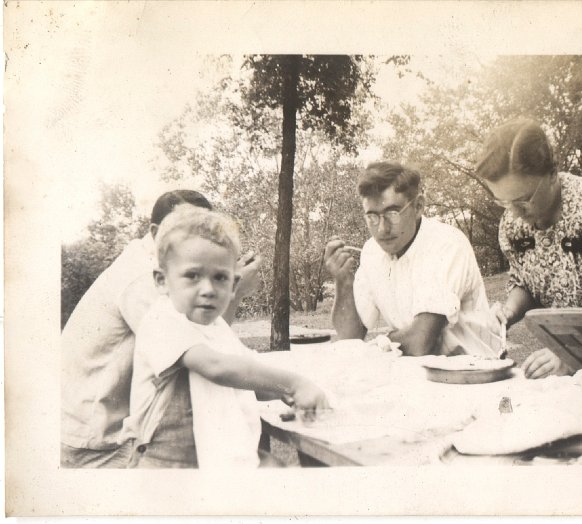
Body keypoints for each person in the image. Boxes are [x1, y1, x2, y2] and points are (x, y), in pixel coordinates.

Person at [61, 190, 262, 468]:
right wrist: (234, 293)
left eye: (199, 228)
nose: (192, 238)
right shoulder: (143, 277)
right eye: (181, 227)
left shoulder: (165, 266)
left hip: (112, 428)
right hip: (96, 438)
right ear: (155, 231)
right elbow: (200, 350)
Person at [122, 204, 329, 468]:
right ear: (162, 280)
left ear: (233, 285)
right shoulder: (161, 320)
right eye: (192, 275)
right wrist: (293, 384)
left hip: (211, 459)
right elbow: (217, 368)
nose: (208, 289)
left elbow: (251, 379)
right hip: (164, 463)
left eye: (220, 277)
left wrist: (284, 394)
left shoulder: (218, 328)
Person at [475, 118, 582, 379]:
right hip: (569, 369)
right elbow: (525, 282)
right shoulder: (512, 223)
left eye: (523, 200)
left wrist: (570, 357)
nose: (515, 213)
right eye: (504, 202)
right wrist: (507, 313)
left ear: (552, 172)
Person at [324, 161, 495, 357]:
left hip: (474, 371)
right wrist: (343, 281)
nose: (382, 229)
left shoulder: (445, 244)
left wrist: (379, 344)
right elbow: (350, 336)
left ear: (418, 206)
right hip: (417, 372)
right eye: (372, 216)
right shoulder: (372, 250)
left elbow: (420, 342)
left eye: (392, 213)